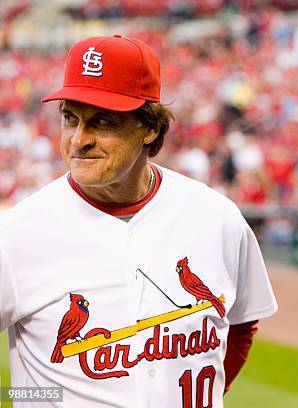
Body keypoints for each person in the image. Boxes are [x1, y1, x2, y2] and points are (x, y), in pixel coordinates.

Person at [0, 35, 277, 407]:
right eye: (70, 118)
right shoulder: (18, 234)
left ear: (150, 128)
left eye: (102, 122)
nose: (79, 140)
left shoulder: (217, 218)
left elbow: (241, 325)